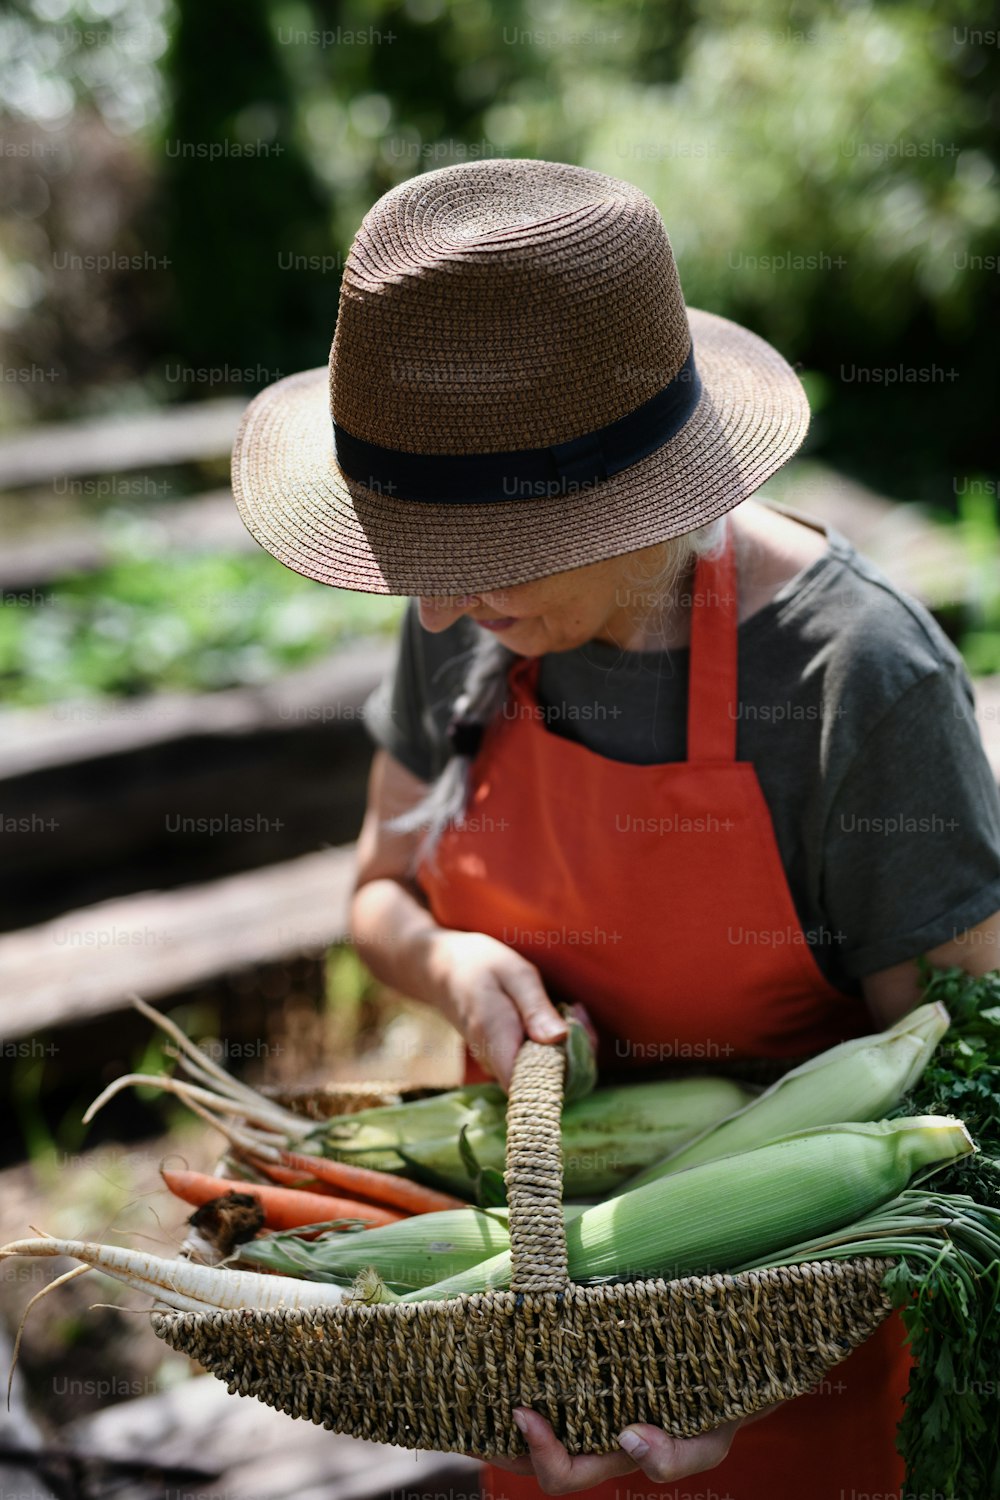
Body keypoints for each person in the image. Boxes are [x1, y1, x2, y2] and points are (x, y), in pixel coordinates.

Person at [230, 157, 1000, 1499]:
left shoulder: (854, 683)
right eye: (415, 549)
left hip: (801, 1424)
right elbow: (377, 898)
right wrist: (449, 966)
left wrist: (727, 1379)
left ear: (632, 491)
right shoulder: (465, 613)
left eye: (475, 548)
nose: (428, 609)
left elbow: (960, 1113)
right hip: (536, 1369)